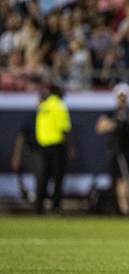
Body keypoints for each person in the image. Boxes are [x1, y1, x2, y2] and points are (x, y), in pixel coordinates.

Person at [95, 83, 129, 216]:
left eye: (124, 96)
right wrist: (117, 123)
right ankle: (125, 211)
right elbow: (100, 127)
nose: (122, 99)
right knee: (121, 181)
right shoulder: (111, 113)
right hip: (119, 150)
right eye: (120, 96)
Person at [34, 84, 71, 215]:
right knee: (58, 178)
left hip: (42, 146)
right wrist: (70, 148)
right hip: (57, 146)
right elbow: (65, 129)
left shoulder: (43, 106)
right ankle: (55, 207)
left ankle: (39, 207)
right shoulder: (59, 106)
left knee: (43, 177)